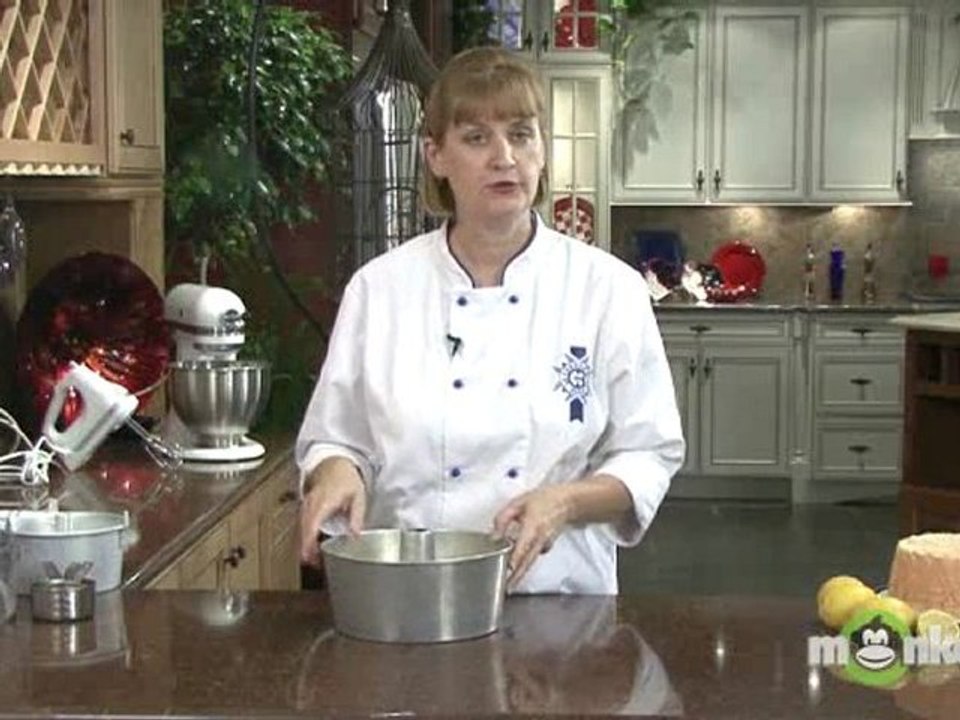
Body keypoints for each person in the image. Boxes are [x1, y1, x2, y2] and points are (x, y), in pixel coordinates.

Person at [296, 46, 684, 594]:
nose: (505, 156)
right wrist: (336, 470)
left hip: (558, 599)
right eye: (476, 137)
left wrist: (566, 501)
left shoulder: (607, 289)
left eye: (522, 134)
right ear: (435, 155)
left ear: (542, 151)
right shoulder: (380, 290)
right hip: (410, 594)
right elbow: (336, 438)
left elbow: (649, 451)